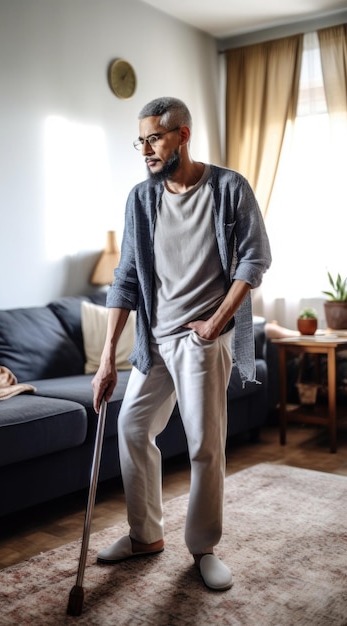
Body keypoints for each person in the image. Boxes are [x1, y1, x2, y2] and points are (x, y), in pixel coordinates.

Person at [92, 97, 272, 591]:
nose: (145, 149)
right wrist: (109, 356)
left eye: (154, 137)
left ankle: (203, 547)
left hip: (200, 337)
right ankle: (145, 535)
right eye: (141, 139)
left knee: (204, 445)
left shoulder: (228, 187)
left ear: (182, 135)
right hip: (154, 340)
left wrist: (216, 322)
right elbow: (126, 277)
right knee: (131, 427)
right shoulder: (141, 198)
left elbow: (254, 260)